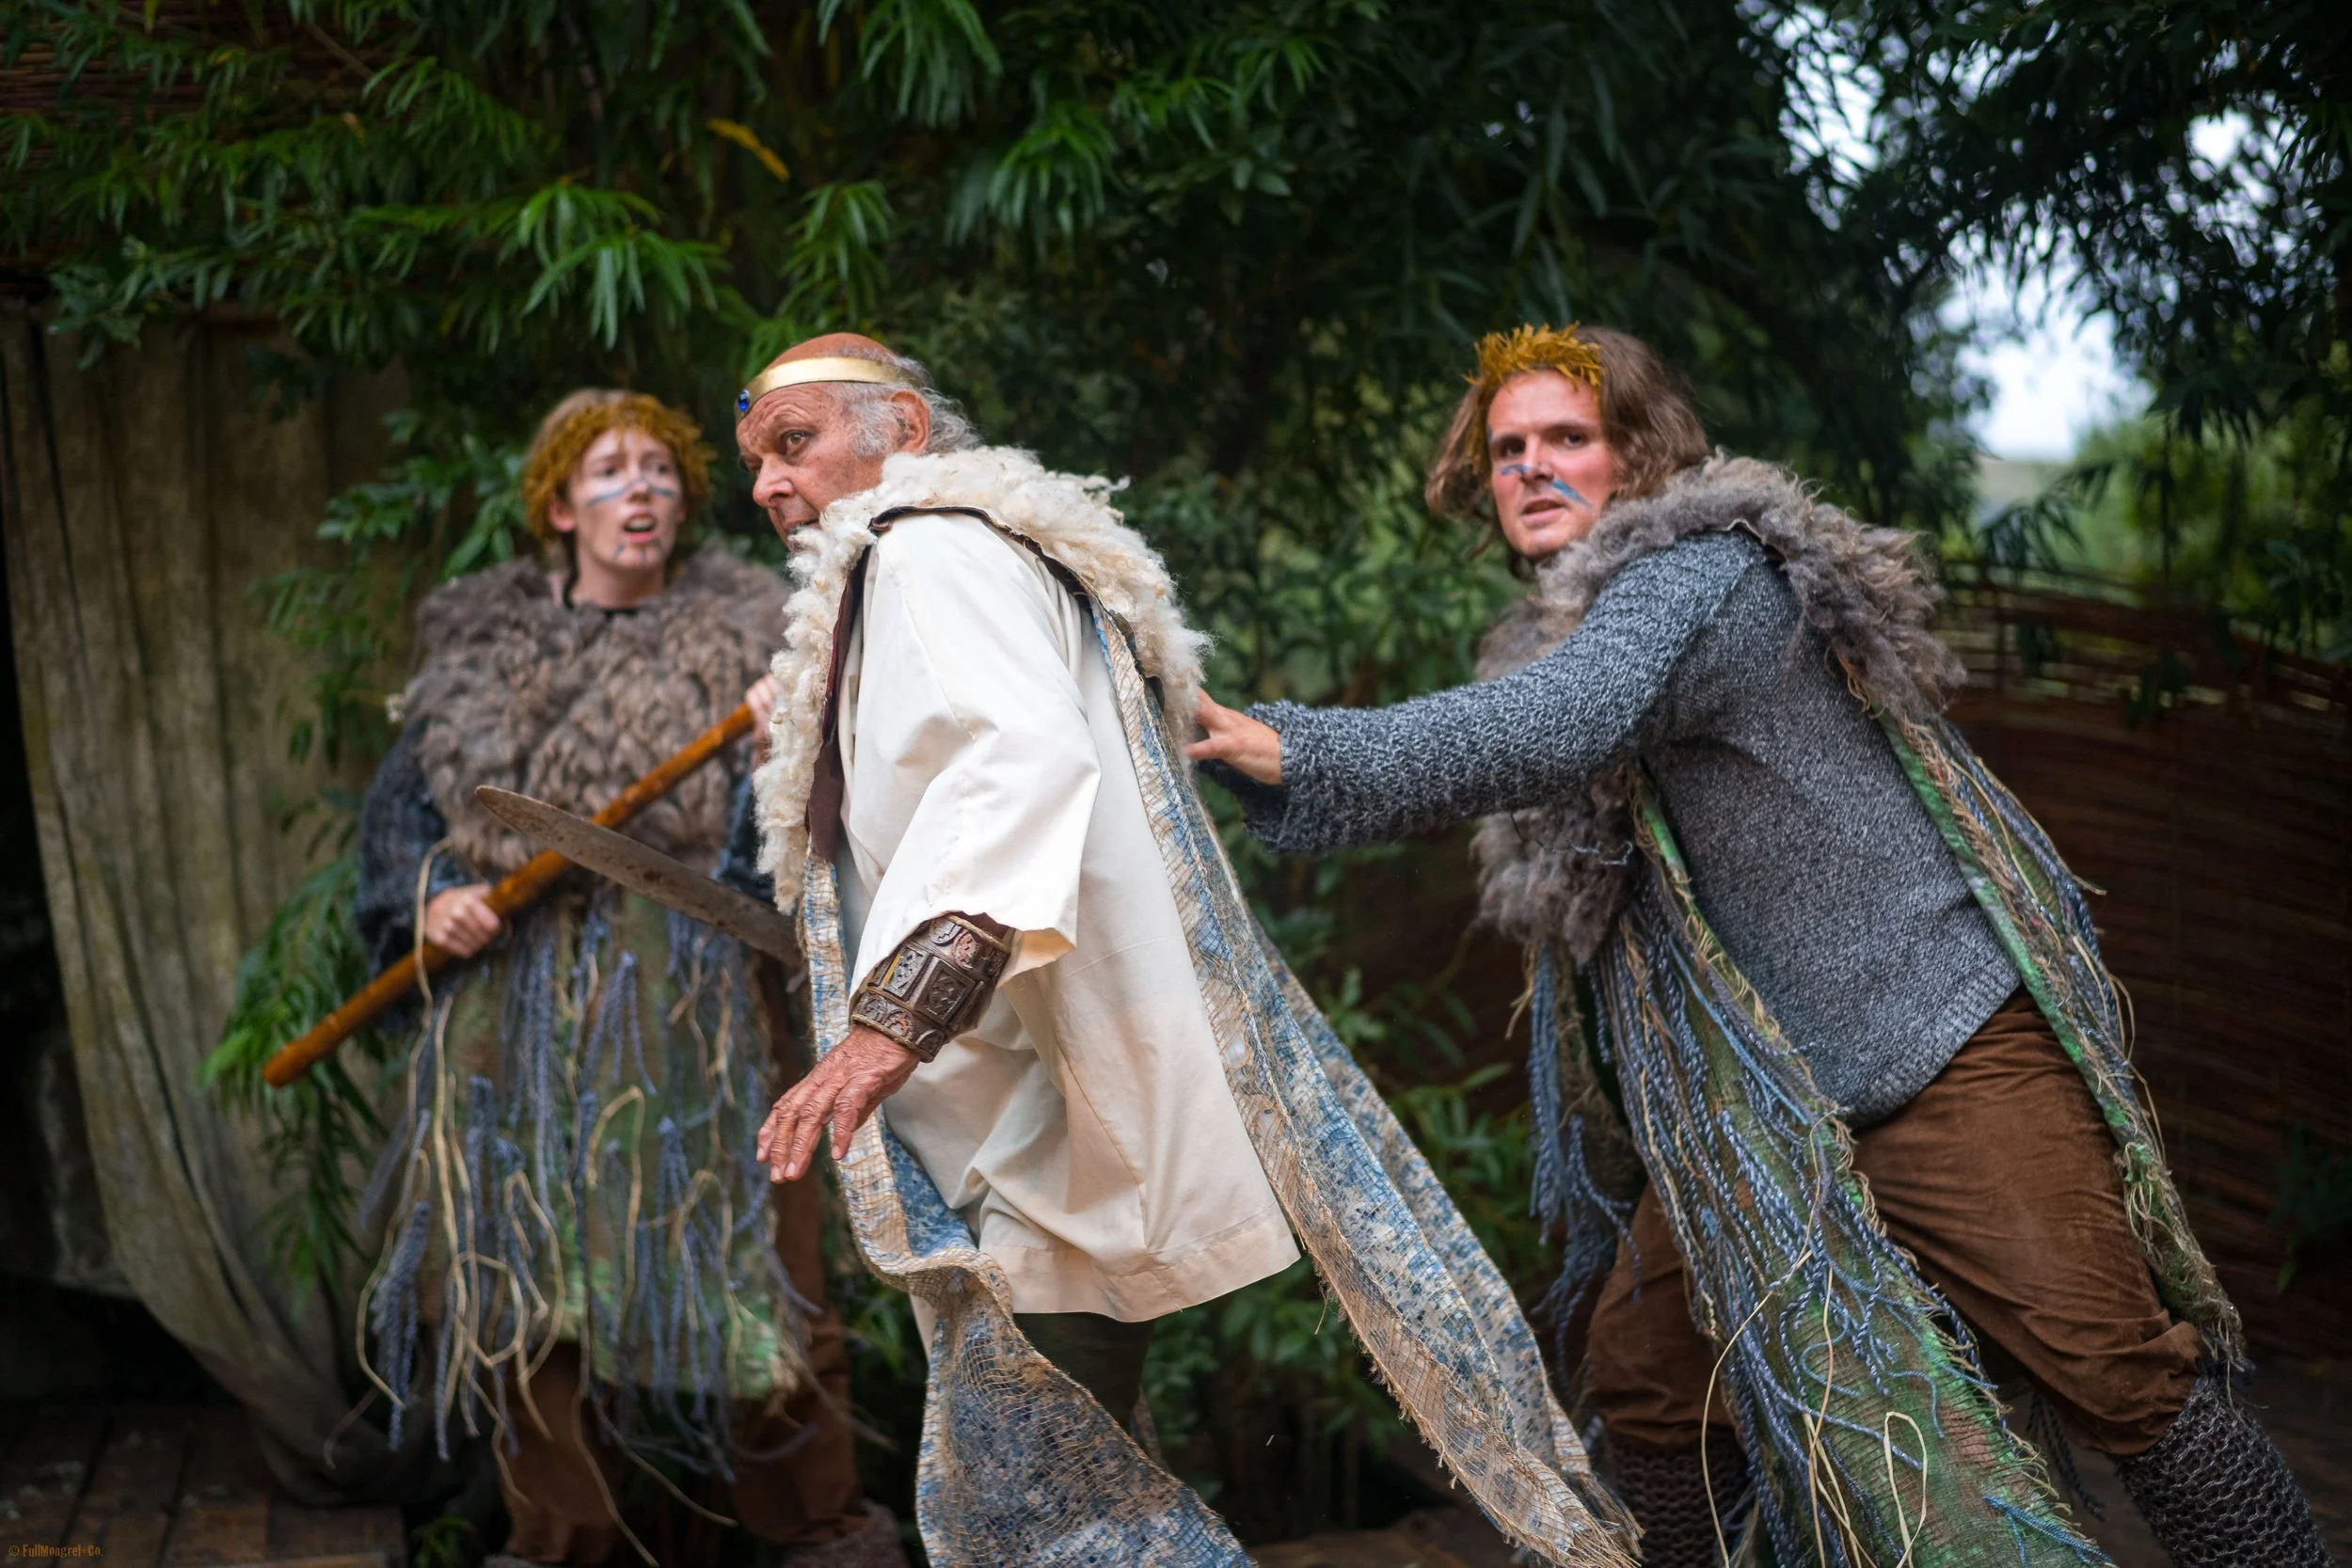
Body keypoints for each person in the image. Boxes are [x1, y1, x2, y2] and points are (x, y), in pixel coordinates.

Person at [1187, 324, 2332, 1568]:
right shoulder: (1568, 629)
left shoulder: (1700, 575)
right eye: (1507, 448)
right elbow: (1540, 722)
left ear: (1639, 452)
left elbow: (1552, 727)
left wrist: (1295, 751)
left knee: (2118, 1367)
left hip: (1938, 1044)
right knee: (1648, 1374)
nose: (1530, 466)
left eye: (1567, 436)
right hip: (1764, 1113)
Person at [734, 333, 1640, 1565]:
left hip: (1041, 1137)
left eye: (794, 444)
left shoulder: (926, 547)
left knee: (1046, 1510)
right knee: (1053, 1497)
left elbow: (1017, 767)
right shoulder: (939, 560)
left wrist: (894, 1016)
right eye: (760, 459)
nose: (769, 485)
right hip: (1030, 1128)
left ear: (901, 428)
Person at [354, 388, 902, 1566]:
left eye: (658, 470)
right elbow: (402, 818)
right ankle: (559, 1540)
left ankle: (818, 1530)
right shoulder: (475, 650)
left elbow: (809, 838)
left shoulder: (766, 637)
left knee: (770, 1268)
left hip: (698, 1000)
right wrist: (427, 900)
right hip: (522, 1007)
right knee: (527, 1281)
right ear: (560, 507)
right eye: (607, 471)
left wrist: (782, 748)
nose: (639, 488)